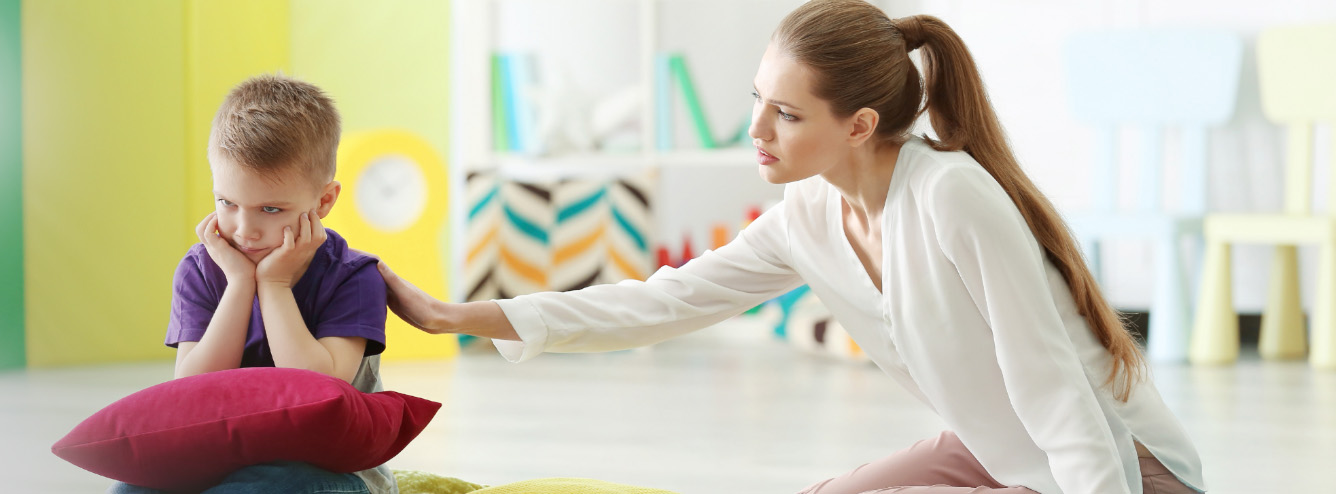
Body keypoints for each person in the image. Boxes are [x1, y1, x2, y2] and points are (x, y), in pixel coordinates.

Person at [371, 2, 1203, 493]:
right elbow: (659, 301)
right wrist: (456, 316)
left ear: (860, 126)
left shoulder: (951, 196)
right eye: (758, 101)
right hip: (997, 451)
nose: (756, 131)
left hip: (1111, 471)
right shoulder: (809, 218)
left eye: (787, 115)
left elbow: (1059, 396)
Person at [111, 75, 394, 494]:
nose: (246, 230)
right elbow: (190, 390)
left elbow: (320, 390)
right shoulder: (202, 269)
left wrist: (275, 285)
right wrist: (240, 284)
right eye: (227, 203)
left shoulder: (353, 277)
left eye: (271, 208)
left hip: (330, 471)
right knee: (131, 489)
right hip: (226, 460)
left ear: (324, 201)